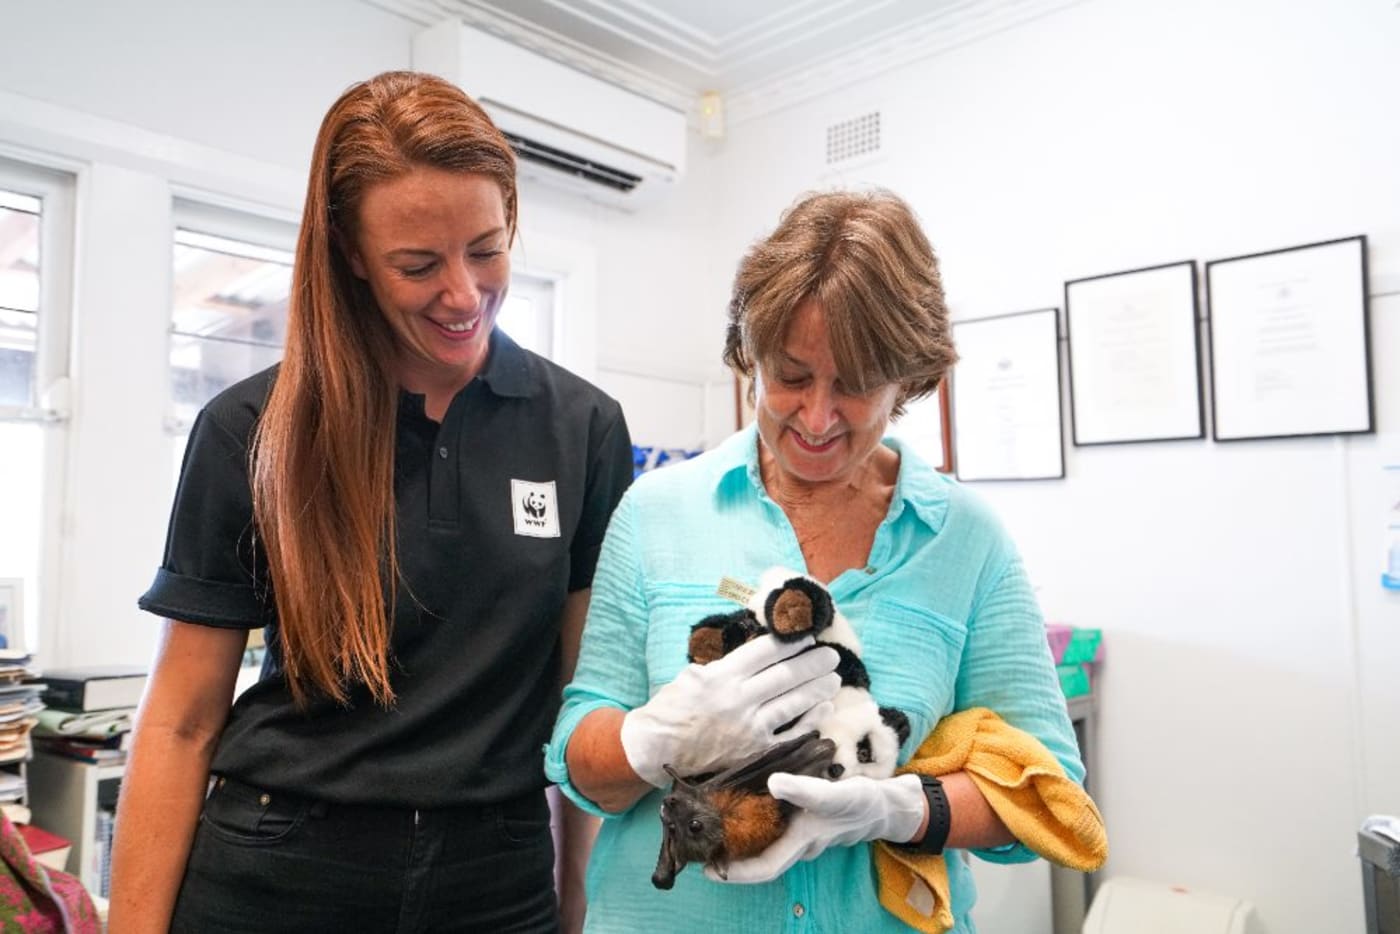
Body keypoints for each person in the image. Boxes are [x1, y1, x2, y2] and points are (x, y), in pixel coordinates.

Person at [109, 71, 634, 933]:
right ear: (351, 255)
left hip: (496, 878)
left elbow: (585, 702)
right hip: (279, 869)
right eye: (417, 265)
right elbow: (181, 720)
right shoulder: (250, 428)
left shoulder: (582, 429)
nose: (463, 294)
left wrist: (578, 903)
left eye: (487, 248)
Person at [545, 189, 1085, 932]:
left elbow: (1046, 790)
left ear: (909, 379)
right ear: (750, 356)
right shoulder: (656, 514)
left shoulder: (965, 539)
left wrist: (897, 810)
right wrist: (652, 738)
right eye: (791, 375)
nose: (818, 416)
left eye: (857, 385)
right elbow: (578, 766)